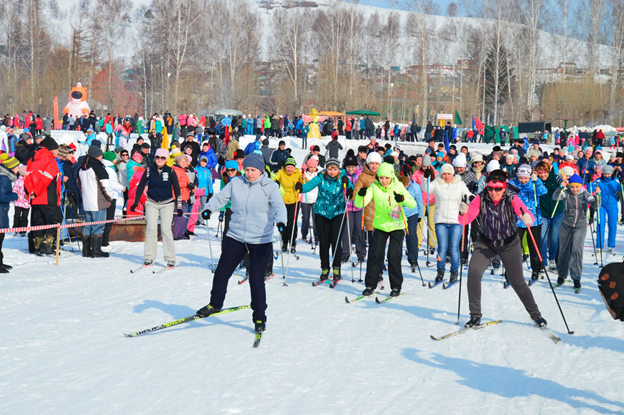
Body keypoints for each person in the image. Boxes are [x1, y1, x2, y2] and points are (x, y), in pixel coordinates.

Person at [196, 153, 287, 334]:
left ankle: (259, 317)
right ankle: (215, 304)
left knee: (255, 279)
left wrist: (281, 222)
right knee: (222, 272)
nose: (249, 173)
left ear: (261, 170)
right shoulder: (236, 183)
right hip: (236, 236)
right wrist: (208, 209)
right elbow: (220, 198)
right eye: (246, 169)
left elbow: (279, 206)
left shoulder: (270, 186)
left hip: (260, 240)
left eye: (253, 170)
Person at [458, 169, 547, 328]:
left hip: (509, 244)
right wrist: (462, 212)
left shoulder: (512, 198)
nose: (494, 192)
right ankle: (475, 315)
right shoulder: (480, 198)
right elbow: (466, 220)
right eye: (491, 188)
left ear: (504, 187)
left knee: (517, 282)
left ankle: (536, 314)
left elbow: (526, 214)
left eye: (498, 189)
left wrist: (527, 218)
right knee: (473, 274)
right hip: (486, 243)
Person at [356, 162, 416, 297]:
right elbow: (359, 203)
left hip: (397, 225)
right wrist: (361, 194)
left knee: (393, 255)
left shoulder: (398, 186)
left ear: (391, 177)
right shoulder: (374, 187)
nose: (384, 181)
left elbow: (412, 203)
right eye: (381, 177)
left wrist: (402, 198)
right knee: (375, 254)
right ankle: (370, 284)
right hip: (381, 225)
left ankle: (395, 286)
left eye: (387, 178)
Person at [297, 158, 352, 282]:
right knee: (324, 242)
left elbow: (351, 189)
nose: (332, 172)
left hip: (338, 213)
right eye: (329, 169)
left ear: (338, 169)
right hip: (322, 213)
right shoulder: (321, 177)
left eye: (334, 169)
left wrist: (349, 189)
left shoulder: (343, 177)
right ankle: (325, 268)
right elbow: (309, 185)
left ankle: (336, 267)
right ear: (326, 169)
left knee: (336, 241)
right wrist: (301, 188)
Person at [131, 148, 181, 267]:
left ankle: (170, 257)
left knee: (166, 230)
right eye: (158, 157)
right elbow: (141, 186)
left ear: (166, 159)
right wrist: (135, 202)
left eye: (162, 158)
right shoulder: (149, 170)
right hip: (152, 202)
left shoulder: (170, 171)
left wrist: (178, 206)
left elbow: (177, 189)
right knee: (151, 229)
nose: (160, 160)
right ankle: (149, 256)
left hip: (167, 203)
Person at [422, 163, 471, 284]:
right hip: (441, 220)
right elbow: (425, 188)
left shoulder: (459, 184)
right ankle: (440, 270)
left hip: (456, 221)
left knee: (454, 248)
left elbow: (467, 194)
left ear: (453, 174)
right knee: (442, 248)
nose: (447, 176)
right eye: (445, 174)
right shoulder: (438, 183)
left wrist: (470, 198)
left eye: (449, 174)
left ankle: (454, 271)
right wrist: (425, 178)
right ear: (441, 174)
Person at [553, 174, 599, 292]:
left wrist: (597, 195)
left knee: (576, 251)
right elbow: (555, 197)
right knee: (563, 250)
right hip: (566, 225)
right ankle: (561, 276)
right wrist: (560, 187)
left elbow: (596, 205)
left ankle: (576, 278)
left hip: (580, 226)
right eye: (572, 187)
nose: (574, 189)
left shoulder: (585, 194)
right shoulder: (566, 192)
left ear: (580, 186)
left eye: (577, 187)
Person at [509, 164, 547, 282]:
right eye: (521, 178)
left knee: (534, 246)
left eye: (526, 178)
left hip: (534, 220)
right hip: (517, 219)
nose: (524, 180)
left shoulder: (535, 182)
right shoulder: (513, 183)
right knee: (514, 247)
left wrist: (536, 183)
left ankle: (535, 270)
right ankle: (510, 273)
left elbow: (543, 192)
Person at [24, 136, 62, 256]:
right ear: (52, 150)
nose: (57, 152)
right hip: (48, 198)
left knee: (38, 222)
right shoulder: (50, 161)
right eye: (56, 150)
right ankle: (47, 246)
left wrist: (32, 192)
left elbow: (27, 178)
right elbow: (46, 180)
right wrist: (38, 191)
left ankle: (37, 247)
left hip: (36, 200)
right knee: (54, 221)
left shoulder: (33, 160)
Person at [77, 145, 112, 258]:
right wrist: (109, 198)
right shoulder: (98, 167)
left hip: (87, 200)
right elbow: (105, 185)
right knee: (98, 225)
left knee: (87, 225)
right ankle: (96, 250)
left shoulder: (82, 167)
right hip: (98, 200)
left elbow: (79, 184)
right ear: (97, 156)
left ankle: (86, 250)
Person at [535, 162, 563, 271]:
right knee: (543, 237)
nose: (542, 175)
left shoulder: (555, 178)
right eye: (540, 173)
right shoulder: (536, 181)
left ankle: (552, 259)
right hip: (543, 212)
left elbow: (561, 181)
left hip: (557, 212)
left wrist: (563, 183)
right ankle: (543, 261)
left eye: (544, 172)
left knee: (554, 238)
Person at [340, 154, 365, 264]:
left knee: (359, 230)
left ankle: (361, 253)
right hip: (348, 207)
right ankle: (345, 253)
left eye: (353, 167)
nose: (351, 169)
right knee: (347, 230)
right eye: (349, 167)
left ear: (357, 166)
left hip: (359, 206)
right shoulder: (342, 175)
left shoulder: (361, 174)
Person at [275, 157, 302, 252]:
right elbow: (274, 177)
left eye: (291, 167)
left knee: (293, 222)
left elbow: (305, 182)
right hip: (283, 201)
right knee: (285, 222)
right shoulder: (281, 172)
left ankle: (292, 242)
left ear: (294, 167)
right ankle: (284, 241)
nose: (290, 169)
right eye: (288, 167)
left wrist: (301, 184)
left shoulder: (298, 172)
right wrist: (276, 181)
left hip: (295, 200)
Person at [593, 165, 620, 256]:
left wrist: (622, 184)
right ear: (603, 173)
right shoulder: (599, 181)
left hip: (612, 206)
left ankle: (611, 246)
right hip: (601, 205)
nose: (607, 175)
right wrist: (594, 188)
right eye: (605, 174)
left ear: (612, 173)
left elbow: (622, 191)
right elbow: (589, 189)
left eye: (609, 174)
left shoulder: (616, 181)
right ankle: (599, 246)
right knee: (600, 224)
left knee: (612, 225)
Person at [0, 154, 19, 271]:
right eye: (17, 167)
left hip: (2, 212)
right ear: (12, 168)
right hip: (0, 213)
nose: (18, 169)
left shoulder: (4, 177)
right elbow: (2, 196)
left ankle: (0, 262)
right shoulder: (4, 178)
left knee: (1, 237)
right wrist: (15, 195)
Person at [300, 157, 319, 244]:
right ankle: (304, 234)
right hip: (305, 199)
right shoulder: (304, 175)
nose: (312, 169)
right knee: (305, 218)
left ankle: (316, 234)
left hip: (315, 199)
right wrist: (302, 177)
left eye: (314, 167)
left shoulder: (318, 175)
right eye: (310, 167)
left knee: (316, 218)